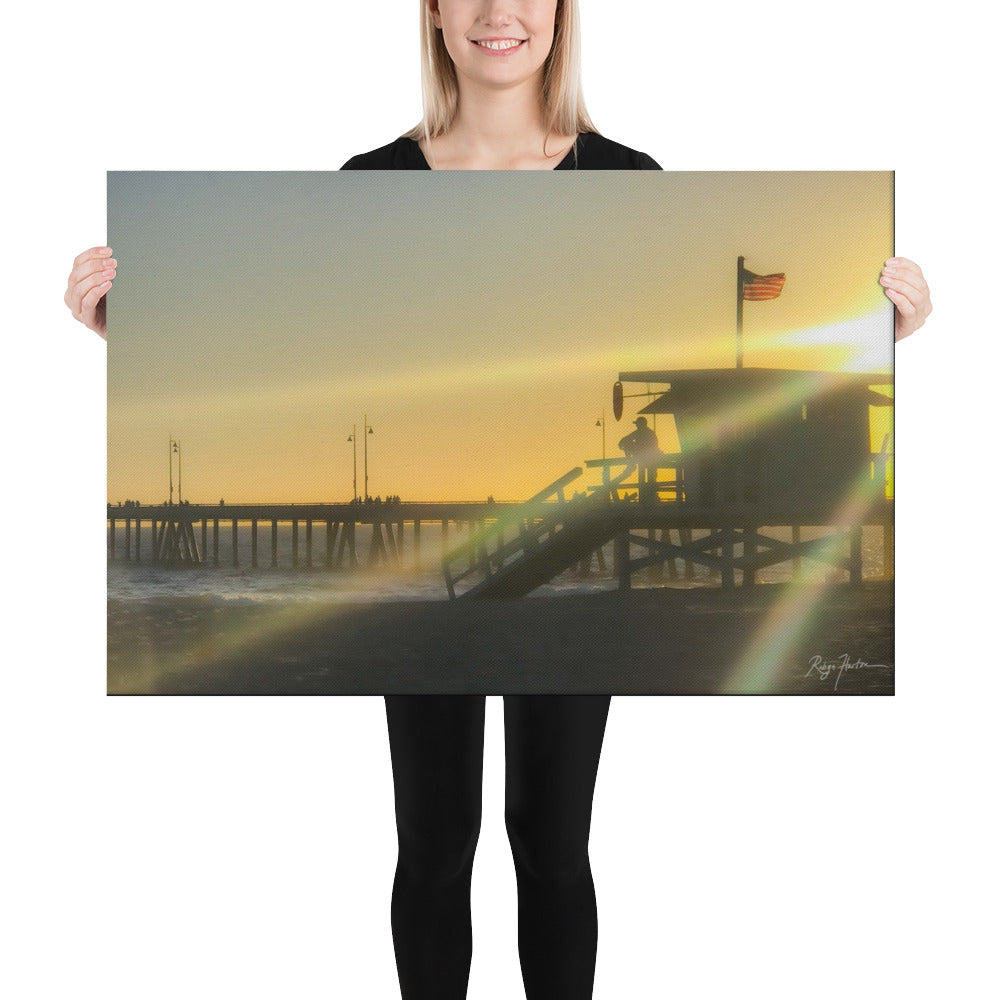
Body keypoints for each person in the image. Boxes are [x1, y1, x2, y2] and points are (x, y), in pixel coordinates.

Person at [65, 3, 932, 998]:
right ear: (431, 14)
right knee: (435, 840)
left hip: (554, 520)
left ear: (562, 15)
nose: (496, 13)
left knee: (553, 839)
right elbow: (341, 344)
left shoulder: (624, 182)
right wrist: (124, 334)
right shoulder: (371, 186)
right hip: (484, 566)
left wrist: (881, 342)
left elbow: (698, 339)